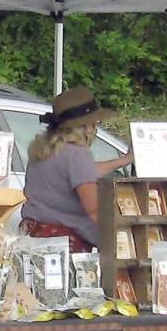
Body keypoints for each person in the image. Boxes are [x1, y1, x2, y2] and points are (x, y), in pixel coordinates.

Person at [19, 86, 133, 252]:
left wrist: (124, 160)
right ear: (87, 127)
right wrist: (125, 238)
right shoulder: (77, 155)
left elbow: (84, 173)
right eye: (96, 123)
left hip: (32, 237)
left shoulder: (43, 150)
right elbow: (94, 210)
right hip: (65, 245)